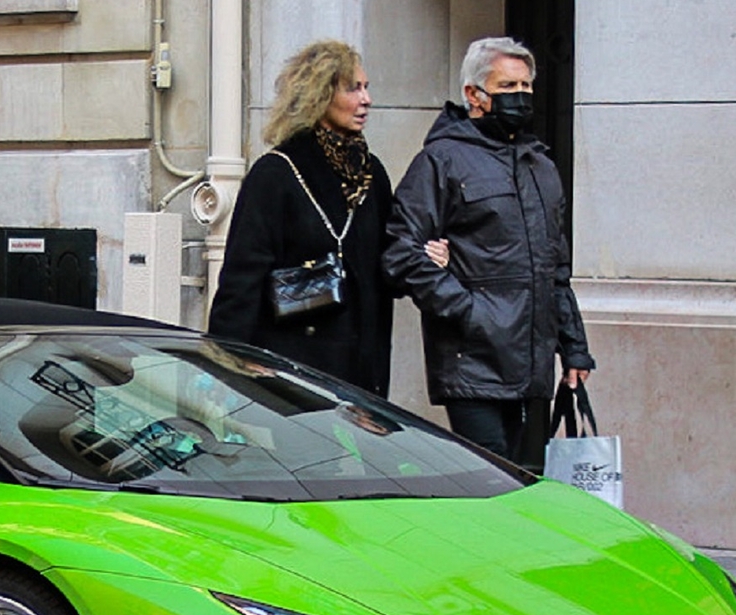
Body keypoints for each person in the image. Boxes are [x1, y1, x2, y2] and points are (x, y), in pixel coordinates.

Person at [382, 35, 594, 468]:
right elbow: (401, 252)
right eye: (507, 88)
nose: (520, 97)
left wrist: (574, 348)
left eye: (525, 87)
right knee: (491, 478)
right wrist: (468, 311)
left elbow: (556, 267)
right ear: (474, 95)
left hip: (531, 361)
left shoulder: (541, 166)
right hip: (472, 363)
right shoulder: (441, 161)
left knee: (524, 481)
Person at [208, 39, 395, 395]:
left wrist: (426, 256)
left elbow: (389, 263)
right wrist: (229, 361)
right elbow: (241, 279)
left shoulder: (372, 174)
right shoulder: (276, 173)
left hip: (361, 371)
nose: (366, 100)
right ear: (320, 96)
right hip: (291, 368)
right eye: (353, 89)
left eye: (366, 88)